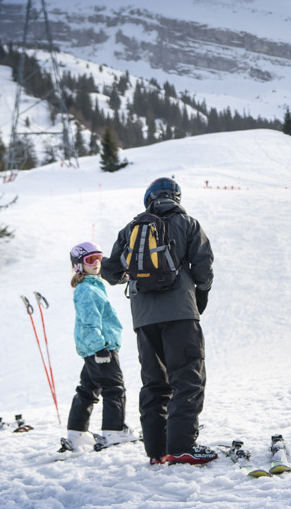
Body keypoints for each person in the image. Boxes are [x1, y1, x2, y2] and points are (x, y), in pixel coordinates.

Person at [101, 176, 216, 465]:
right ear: (176, 198)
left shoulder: (131, 229)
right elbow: (203, 266)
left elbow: (112, 272)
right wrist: (199, 296)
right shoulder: (188, 224)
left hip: (143, 319)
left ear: (149, 199)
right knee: (187, 378)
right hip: (180, 313)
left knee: (154, 383)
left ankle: (157, 451)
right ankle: (181, 447)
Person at [59, 242, 137, 453]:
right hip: (101, 347)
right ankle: (114, 431)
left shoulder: (93, 285)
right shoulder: (86, 289)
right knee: (114, 387)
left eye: (99, 259)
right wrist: (100, 347)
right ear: (78, 265)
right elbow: (89, 321)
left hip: (95, 347)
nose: (96, 263)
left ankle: (77, 433)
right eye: (90, 260)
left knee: (87, 389)